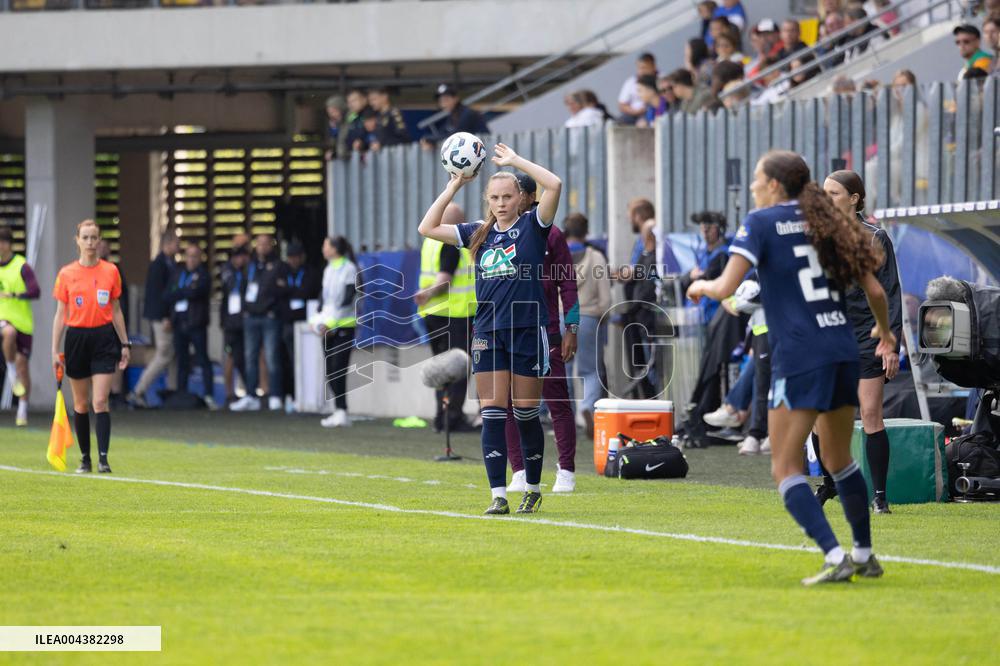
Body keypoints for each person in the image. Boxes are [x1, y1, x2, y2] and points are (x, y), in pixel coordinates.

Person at [687, 150, 895, 585]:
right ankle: (863, 552)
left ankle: (835, 555)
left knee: (785, 468)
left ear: (775, 185)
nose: (753, 189)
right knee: (839, 459)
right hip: (843, 350)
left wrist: (701, 286)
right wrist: (886, 333)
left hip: (800, 355)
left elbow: (727, 288)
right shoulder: (832, 222)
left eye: (756, 181)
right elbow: (875, 288)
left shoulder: (762, 223)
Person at [418, 143, 562, 515]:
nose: (501, 203)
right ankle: (498, 494)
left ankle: (531, 486)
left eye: (507, 196)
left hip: (528, 329)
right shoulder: (476, 233)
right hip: (487, 331)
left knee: (525, 412)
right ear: (488, 199)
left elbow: (555, 184)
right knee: (494, 413)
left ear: (520, 199)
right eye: (495, 197)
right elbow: (427, 227)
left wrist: (514, 161)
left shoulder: (533, 226)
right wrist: (454, 185)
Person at [815, 170, 902, 513]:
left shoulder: (875, 237)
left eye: (833, 193)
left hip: (867, 337)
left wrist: (890, 342)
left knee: (870, 414)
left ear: (854, 199)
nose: (826, 199)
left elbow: (889, 292)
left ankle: (879, 497)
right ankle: (829, 484)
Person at [505, 174, 579, 495]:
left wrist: (571, 328)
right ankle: (519, 470)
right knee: (509, 405)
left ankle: (566, 470)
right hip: (506, 330)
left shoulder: (552, 235)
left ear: (528, 195)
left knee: (556, 401)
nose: (505, 200)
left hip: (544, 331)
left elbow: (569, 284)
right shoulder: (500, 233)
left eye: (512, 194)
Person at [52, 220, 131, 474]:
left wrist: (125, 342)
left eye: (93, 237)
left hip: (103, 338)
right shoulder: (66, 274)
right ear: (77, 240)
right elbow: (60, 314)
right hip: (76, 338)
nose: (89, 243)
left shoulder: (110, 271)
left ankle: (103, 459)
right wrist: (55, 349)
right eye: (85, 237)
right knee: (81, 403)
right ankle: (85, 458)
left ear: (100, 241)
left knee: (100, 400)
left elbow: (116, 310)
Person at [415, 202, 476, 433]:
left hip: (434, 314)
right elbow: (444, 279)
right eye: (462, 220)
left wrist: (425, 297)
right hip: (455, 315)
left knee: (440, 370)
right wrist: (428, 293)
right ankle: (453, 417)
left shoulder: (430, 241)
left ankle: (441, 418)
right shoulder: (452, 242)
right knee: (458, 368)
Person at [563, 212, 610, 439]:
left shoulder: (556, 256)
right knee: (590, 370)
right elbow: (605, 299)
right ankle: (589, 408)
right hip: (589, 318)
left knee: (563, 370)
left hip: (562, 318)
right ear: (586, 232)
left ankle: (565, 418)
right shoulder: (596, 257)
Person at [230, 234, 288, 412]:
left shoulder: (278, 265)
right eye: (259, 244)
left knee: (271, 357)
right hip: (250, 317)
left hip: (269, 316)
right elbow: (241, 286)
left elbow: (280, 289)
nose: (262, 247)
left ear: (271, 245)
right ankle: (250, 395)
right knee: (250, 357)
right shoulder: (250, 265)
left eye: (265, 244)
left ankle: (275, 395)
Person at [128, 229, 178, 407]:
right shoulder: (159, 265)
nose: (178, 246)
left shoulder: (169, 263)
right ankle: (138, 390)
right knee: (164, 354)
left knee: (172, 354)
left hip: (165, 316)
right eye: (175, 242)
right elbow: (159, 294)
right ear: (168, 243)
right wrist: (165, 316)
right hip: (161, 317)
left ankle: (171, 391)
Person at [317, 236, 359, 428]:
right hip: (327, 327)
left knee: (338, 369)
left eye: (326, 245)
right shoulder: (327, 269)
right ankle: (338, 410)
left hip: (343, 326)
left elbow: (348, 299)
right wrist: (319, 319)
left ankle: (342, 411)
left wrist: (332, 323)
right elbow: (325, 299)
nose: (323, 249)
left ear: (334, 249)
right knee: (329, 372)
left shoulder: (349, 268)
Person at [0, 226, 40, 427]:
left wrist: (15, 295)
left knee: (23, 367)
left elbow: (36, 291)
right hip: (3, 320)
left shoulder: (22, 266)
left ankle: (22, 409)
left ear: (8, 244)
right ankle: (10, 370)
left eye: (2, 242)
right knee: (8, 331)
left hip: (24, 323)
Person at [167, 243, 215, 408]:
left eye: (195, 256)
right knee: (182, 361)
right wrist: (184, 291)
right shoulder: (179, 273)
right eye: (189, 255)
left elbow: (195, 292)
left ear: (200, 258)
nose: (192, 259)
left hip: (196, 323)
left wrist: (182, 291)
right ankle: (182, 394)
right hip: (179, 322)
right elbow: (169, 294)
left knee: (202, 359)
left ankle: (209, 395)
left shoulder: (204, 275)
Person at [280, 240, 321, 414]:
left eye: (296, 257)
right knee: (287, 360)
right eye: (290, 257)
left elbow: (306, 291)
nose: (293, 260)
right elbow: (275, 291)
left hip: (305, 322)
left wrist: (288, 289)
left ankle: (304, 396)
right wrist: (292, 290)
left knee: (304, 360)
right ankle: (289, 395)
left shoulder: (310, 272)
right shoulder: (282, 271)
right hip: (287, 321)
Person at [219, 238, 249, 405]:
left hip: (245, 320)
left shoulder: (249, 270)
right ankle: (229, 393)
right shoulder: (227, 271)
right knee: (230, 355)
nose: (240, 260)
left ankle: (251, 391)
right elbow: (229, 286)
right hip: (230, 322)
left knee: (247, 356)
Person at [425, 84, 490, 140]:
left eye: (446, 100)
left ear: (455, 98)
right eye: (441, 101)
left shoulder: (468, 113)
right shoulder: (451, 116)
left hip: (483, 150)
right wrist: (428, 139)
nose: (443, 104)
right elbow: (442, 133)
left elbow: (457, 135)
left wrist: (431, 140)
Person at [617, 53, 657, 125]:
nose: (641, 71)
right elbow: (622, 105)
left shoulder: (662, 79)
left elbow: (661, 105)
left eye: (644, 67)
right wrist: (635, 112)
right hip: (633, 115)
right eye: (639, 68)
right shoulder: (630, 81)